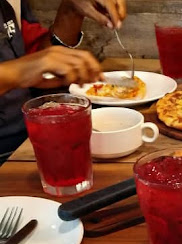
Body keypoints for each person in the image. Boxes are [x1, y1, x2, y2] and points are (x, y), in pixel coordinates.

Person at [0, 0, 127, 162]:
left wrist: (71, 10)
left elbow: (34, 62)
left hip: (33, 136)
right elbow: (26, 67)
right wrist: (18, 71)